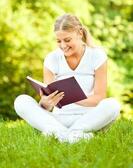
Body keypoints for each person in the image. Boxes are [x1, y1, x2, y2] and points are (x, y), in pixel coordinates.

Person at [14, 13, 121, 143]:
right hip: (59, 119)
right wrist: (45, 103)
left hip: (89, 118)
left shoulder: (97, 55)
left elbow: (99, 98)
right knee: (21, 101)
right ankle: (73, 135)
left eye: (67, 40)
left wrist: (73, 97)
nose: (63, 45)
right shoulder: (52, 58)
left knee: (113, 105)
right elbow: (47, 105)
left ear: (80, 33)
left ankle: (62, 134)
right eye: (59, 41)